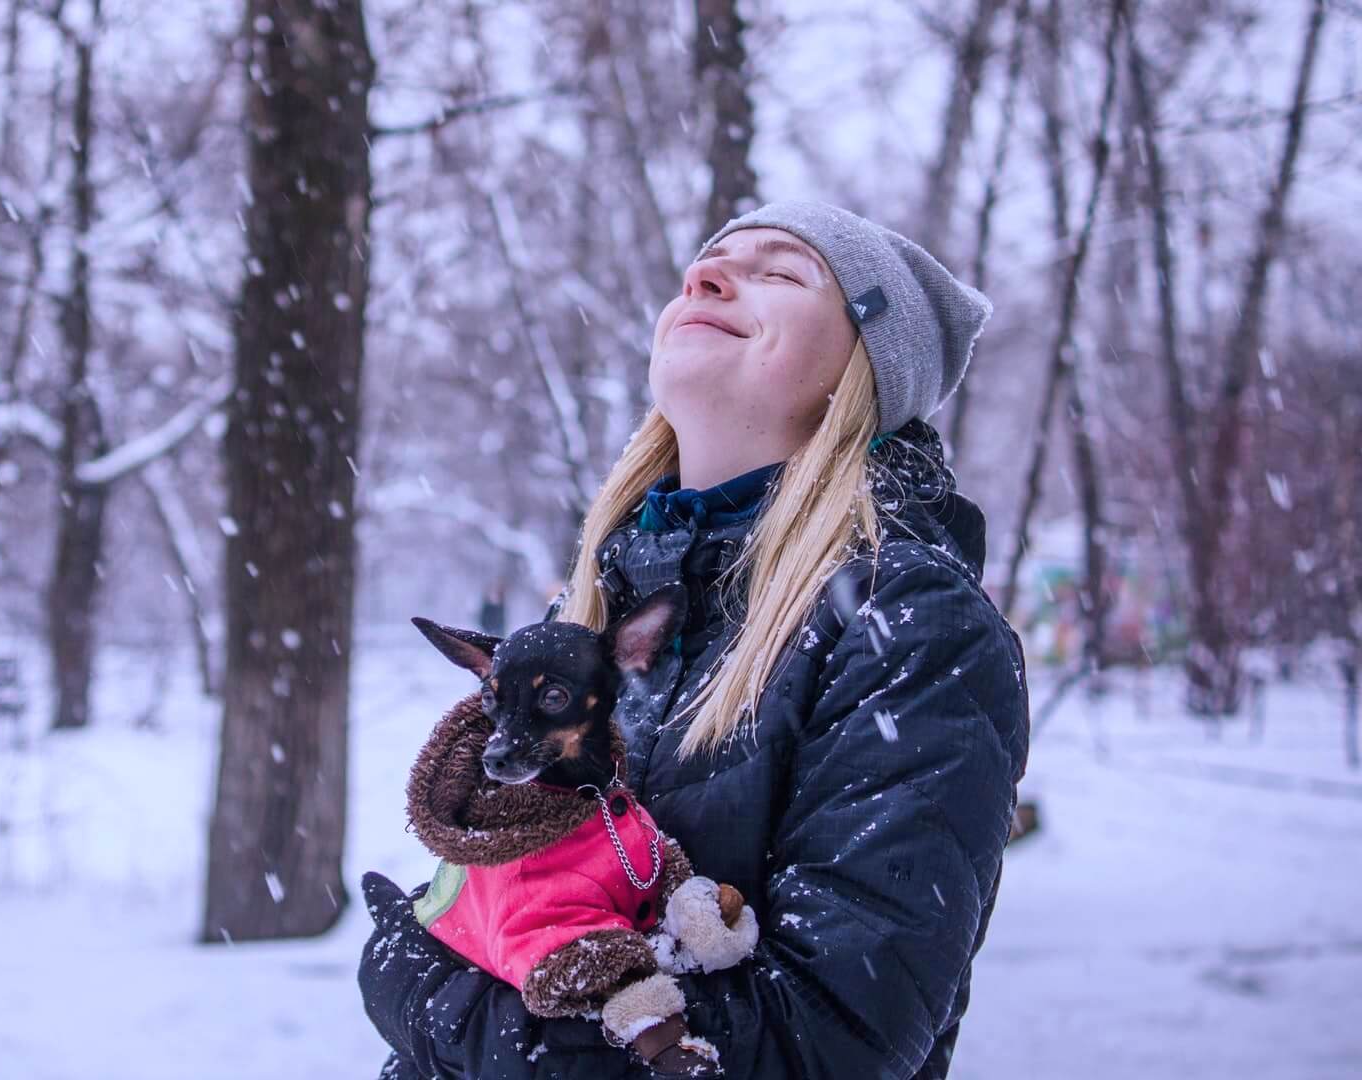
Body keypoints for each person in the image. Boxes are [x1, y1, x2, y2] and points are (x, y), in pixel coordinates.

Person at [358, 199, 1031, 1079]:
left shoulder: (908, 624)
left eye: (782, 273)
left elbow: (824, 1038)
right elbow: (506, 900)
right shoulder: (595, 608)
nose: (703, 278)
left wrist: (426, 996)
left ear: (866, 368)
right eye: (705, 267)